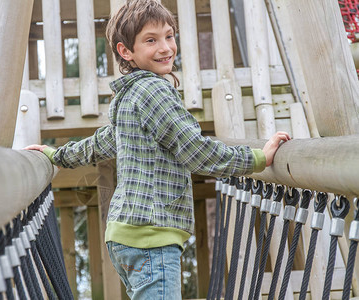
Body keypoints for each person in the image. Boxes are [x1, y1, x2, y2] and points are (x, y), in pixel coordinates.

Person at [24, 0, 290, 298]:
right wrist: (257, 158)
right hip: (151, 235)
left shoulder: (132, 93)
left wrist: (58, 155)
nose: (166, 47)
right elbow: (196, 151)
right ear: (126, 51)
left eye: (169, 35)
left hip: (126, 235)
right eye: (151, 40)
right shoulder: (155, 91)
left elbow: (104, 142)